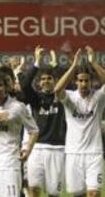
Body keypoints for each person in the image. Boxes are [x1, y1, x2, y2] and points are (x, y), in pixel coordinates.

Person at [54, 47, 105, 197]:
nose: (83, 84)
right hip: (73, 153)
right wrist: (73, 66)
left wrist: (93, 62)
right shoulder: (69, 97)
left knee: (94, 194)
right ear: (76, 82)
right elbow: (57, 90)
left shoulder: (99, 97)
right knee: (77, 194)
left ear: (91, 81)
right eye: (80, 80)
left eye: (87, 80)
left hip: (94, 153)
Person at [19, 46, 66, 197]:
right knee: (33, 189)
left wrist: (55, 65)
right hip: (36, 148)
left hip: (57, 149)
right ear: (39, 83)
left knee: (54, 193)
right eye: (43, 79)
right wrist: (36, 62)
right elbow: (25, 85)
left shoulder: (63, 97)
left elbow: (68, 83)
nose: (46, 81)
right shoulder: (35, 98)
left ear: (55, 81)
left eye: (49, 79)